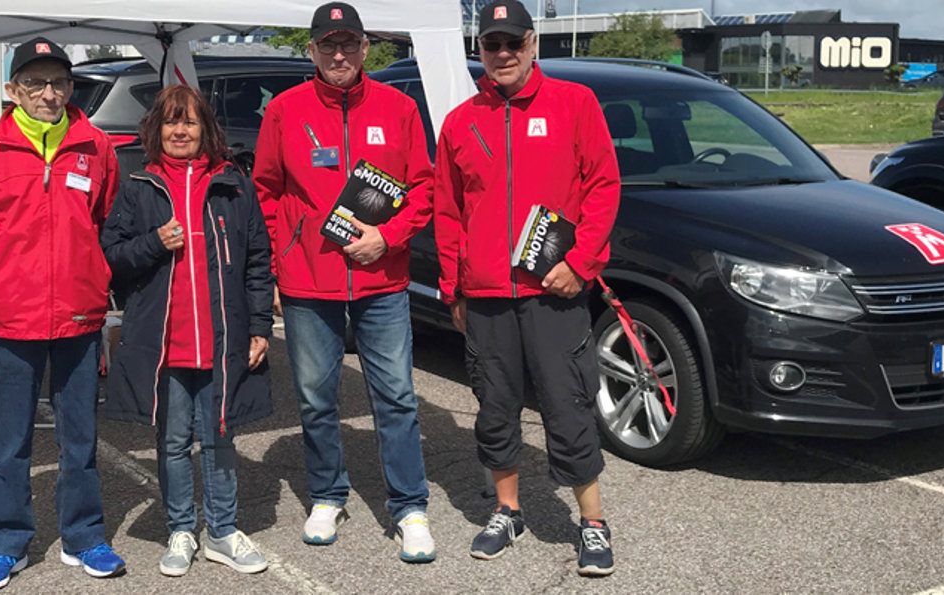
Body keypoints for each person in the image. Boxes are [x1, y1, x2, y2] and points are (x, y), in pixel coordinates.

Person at [432, 0, 621, 577]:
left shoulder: (573, 104)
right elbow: (448, 211)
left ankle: (591, 522)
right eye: (493, 44)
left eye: (514, 42)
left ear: (533, 44)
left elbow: (604, 187)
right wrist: (453, 289)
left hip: (554, 291)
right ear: (480, 50)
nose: (504, 53)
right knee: (494, 407)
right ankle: (507, 511)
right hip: (486, 295)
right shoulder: (461, 122)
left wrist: (582, 262)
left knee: (567, 405)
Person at [252, 1, 436, 563]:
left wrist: (390, 237)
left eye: (349, 44)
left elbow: (423, 189)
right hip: (310, 280)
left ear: (364, 49)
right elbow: (265, 191)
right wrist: (279, 268)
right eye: (328, 45)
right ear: (311, 51)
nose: (339, 54)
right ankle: (328, 495)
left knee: (396, 397)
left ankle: (409, 507)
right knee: (314, 397)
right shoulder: (284, 111)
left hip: (382, 278)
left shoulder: (399, 108)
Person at [0, 37, 126, 591]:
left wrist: (82, 275)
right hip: (6, 320)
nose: (49, 93)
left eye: (59, 83)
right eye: (35, 83)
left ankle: (84, 537)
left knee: (80, 438)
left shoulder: (95, 146)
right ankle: (6, 543)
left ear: (71, 88)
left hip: (77, 316)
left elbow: (105, 221)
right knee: (9, 441)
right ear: (12, 90)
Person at [100, 84, 274, 577]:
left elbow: (258, 260)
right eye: (172, 122)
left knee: (220, 435)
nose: (181, 131)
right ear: (157, 129)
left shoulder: (234, 184)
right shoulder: (139, 184)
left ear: (206, 129)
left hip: (221, 340)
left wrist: (260, 324)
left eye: (190, 122)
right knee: (174, 439)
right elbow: (111, 257)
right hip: (165, 343)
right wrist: (153, 243)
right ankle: (180, 527)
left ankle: (221, 530)